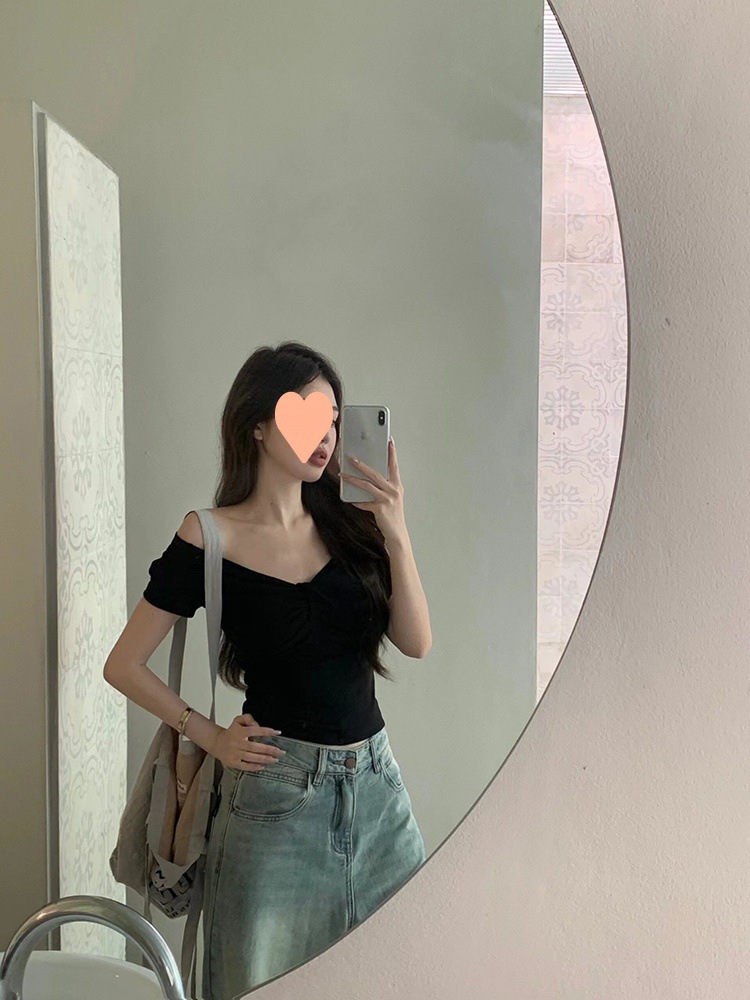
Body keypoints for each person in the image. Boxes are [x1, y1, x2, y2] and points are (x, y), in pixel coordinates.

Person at [103, 340, 432, 999]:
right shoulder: (208, 536)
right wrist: (208, 734)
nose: (325, 435)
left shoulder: (354, 525)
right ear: (257, 424)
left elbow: (415, 642)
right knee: (256, 984)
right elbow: (124, 665)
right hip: (273, 800)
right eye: (305, 415)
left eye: (332, 419)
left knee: (405, 971)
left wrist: (396, 531)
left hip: (377, 791)